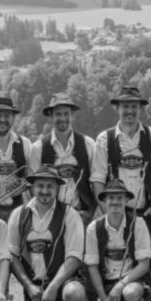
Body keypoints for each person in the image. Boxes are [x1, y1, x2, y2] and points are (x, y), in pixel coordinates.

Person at [92, 85, 151, 301]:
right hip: (116, 212)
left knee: (147, 269)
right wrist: (107, 212)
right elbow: (97, 179)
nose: (129, 111)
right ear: (118, 108)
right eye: (125, 107)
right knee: (112, 265)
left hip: (144, 211)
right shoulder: (106, 138)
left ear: (140, 108)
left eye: (134, 106)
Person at [7, 165, 88, 301]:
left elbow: (74, 257)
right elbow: (12, 255)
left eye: (50, 186)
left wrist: (53, 287)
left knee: (75, 293)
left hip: (62, 282)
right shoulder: (18, 214)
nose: (44, 191)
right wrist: (28, 286)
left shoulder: (70, 214)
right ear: (32, 187)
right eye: (40, 186)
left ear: (57, 188)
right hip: (35, 287)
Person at [84, 178, 151, 301]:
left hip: (133, 280)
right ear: (104, 200)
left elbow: (144, 264)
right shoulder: (94, 228)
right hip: (108, 284)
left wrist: (120, 285)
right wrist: (103, 299)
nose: (115, 202)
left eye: (120, 197)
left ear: (127, 200)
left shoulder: (138, 223)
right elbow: (92, 268)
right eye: (111, 198)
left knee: (130, 292)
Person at [30, 92, 97, 225]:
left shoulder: (89, 144)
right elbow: (33, 187)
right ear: (51, 116)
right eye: (58, 114)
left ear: (72, 115)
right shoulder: (37, 148)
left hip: (82, 215)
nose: (62, 118)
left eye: (66, 114)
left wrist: (90, 212)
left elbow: (97, 182)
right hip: (50, 218)